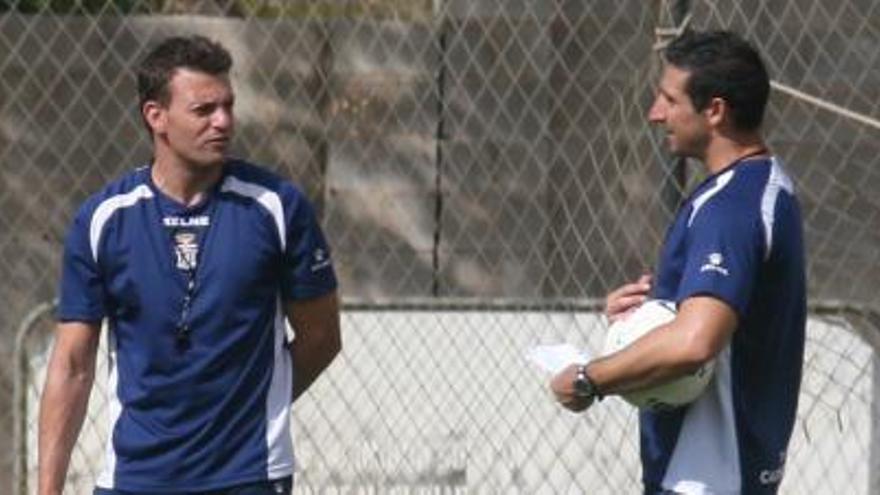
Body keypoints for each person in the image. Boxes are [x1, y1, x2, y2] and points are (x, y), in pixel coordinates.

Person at [38, 35, 341, 494]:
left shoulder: (277, 207)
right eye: (203, 110)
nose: (223, 122)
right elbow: (73, 365)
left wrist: (251, 404)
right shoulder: (104, 220)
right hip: (135, 479)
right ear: (155, 117)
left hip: (249, 475)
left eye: (228, 106)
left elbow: (321, 337)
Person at [551, 30, 806, 494]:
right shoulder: (763, 185)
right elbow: (718, 321)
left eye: (669, 99)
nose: (655, 113)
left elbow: (694, 342)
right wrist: (648, 314)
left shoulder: (731, 208)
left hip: (709, 475)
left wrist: (590, 379)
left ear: (715, 110)